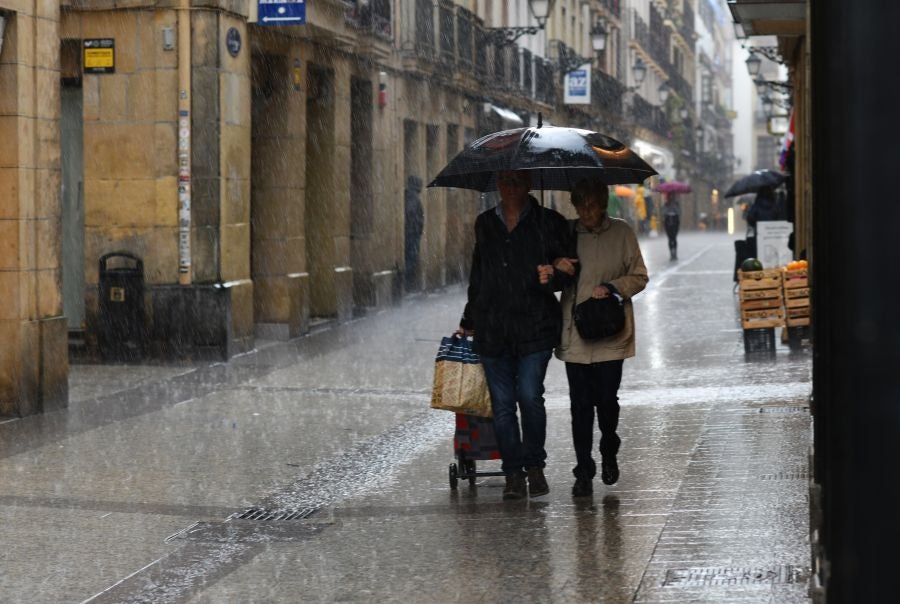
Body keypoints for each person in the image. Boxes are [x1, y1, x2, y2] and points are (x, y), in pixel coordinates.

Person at [458, 170, 571, 500]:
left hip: (535, 326)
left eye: (518, 181)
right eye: (505, 181)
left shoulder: (550, 221)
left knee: (530, 397)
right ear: (497, 184)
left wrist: (552, 276)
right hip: (493, 329)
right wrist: (469, 317)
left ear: (529, 185)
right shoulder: (485, 223)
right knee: (503, 406)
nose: (510, 188)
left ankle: (534, 466)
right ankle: (512, 474)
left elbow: (568, 269)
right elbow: (479, 274)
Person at [554, 179, 648, 497]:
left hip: (610, 333)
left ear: (603, 204)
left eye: (593, 205)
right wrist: (556, 267)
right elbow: (549, 278)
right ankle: (583, 470)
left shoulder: (622, 233)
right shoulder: (565, 234)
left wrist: (612, 287)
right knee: (580, 406)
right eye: (582, 206)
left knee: (606, 401)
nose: (588, 212)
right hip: (575, 334)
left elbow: (640, 275)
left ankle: (609, 445)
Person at [403, 175, 424, 290]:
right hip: (412, 233)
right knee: (412, 257)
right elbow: (411, 214)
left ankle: (407, 282)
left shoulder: (409, 196)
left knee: (411, 257)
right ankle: (406, 283)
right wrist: (416, 227)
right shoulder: (413, 197)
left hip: (412, 232)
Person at [662, 192, 680, 260]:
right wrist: (668, 211)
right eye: (670, 196)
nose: (671, 197)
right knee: (670, 238)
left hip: (675, 221)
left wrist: (674, 208)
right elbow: (663, 212)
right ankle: (671, 253)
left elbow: (678, 212)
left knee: (674, 238)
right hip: (668, 222)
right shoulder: (666, 204)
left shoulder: (676, 204)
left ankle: (675, 252)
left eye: (673, 196)